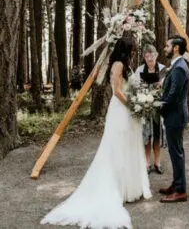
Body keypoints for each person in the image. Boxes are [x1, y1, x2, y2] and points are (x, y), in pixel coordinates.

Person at [41, 37, 151, 229]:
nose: (134, 52)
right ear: (124, 50)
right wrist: (133, 105)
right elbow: (117, 91)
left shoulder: (127, 64)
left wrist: (139, 98)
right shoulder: (117, 64)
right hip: (121, 110)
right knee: (117, 147)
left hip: (130, 110)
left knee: (130, 147)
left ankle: (129, 188)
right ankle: (116, 187)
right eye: (132, 49)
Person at [159, 35, 189, 203]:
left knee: (176, 153)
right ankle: (177, 183)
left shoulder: (179, 68)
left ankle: (180, 191)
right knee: (175, 152)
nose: (165, 48)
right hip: (174, 115)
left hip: (175, 116)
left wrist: (158, 106)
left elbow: (173, 96)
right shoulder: (177, 65)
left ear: (176, 48)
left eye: (167, 45)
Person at [135, 44, 165, 174]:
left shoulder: (163, 69)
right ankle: (147, 163)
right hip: (145, 106)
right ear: (144, 57)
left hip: (158, 107)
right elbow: (135, 87)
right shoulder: (140, 70)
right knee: (146, 135)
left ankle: (157, 162)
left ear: (156, 55)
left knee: (157, 136)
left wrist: (160, 87)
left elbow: (166, 87)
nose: (149, 59)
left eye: (151, 56)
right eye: (146, 56)